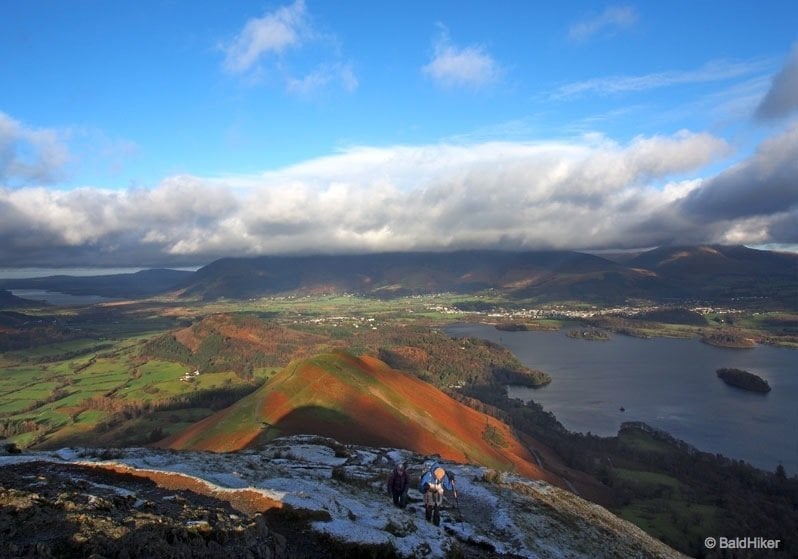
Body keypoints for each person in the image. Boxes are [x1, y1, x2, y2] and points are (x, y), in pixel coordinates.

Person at [418, 461, 456, 526]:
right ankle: (428, 521)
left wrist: (451, 481)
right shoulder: (428, 475)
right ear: (435, 475)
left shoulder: (443, 475)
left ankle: (436, 524)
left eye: (441, 479)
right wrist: (424, 489)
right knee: (429, 507)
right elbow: (421, 486)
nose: (441, 480)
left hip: (439, 492)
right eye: (439, 479)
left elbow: (448, 487)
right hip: (429, 491)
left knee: (437, 509)